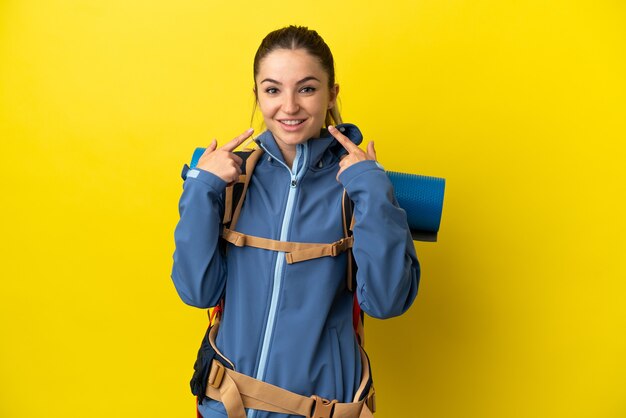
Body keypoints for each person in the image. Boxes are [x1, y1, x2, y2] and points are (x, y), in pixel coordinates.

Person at [172, 25, 420, 418]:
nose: (288, 107)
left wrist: (373, 190)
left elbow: (387, 301)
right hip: (225, 404)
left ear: (331, 94)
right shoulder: (232, 179)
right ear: (257, 95)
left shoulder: (360, 184)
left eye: (306, 88)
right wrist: (201, 189)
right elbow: (196, 292)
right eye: (272, 90)